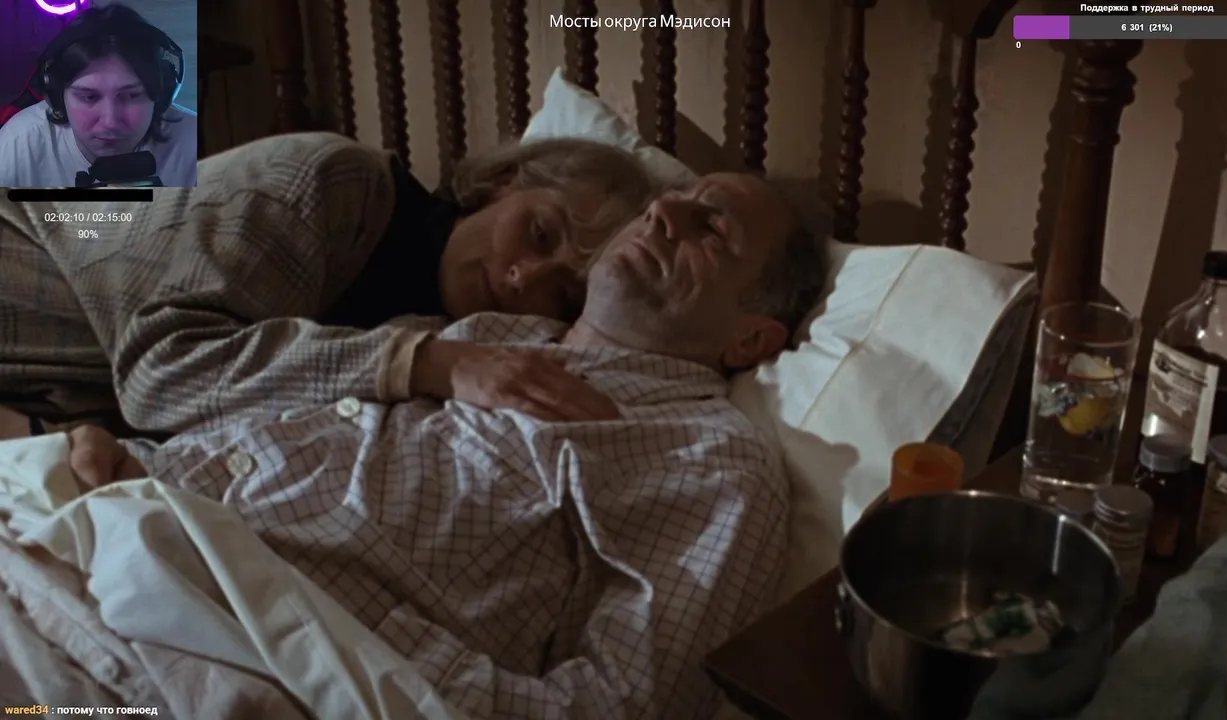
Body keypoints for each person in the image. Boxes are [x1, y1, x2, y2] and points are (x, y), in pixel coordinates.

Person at [7, 171, 828, 718]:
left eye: (710, 229)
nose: (662, 214)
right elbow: (213, 407)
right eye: (673, 197)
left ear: (753, 337)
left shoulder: (711, 461)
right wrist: (113, 452)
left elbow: (622, 703)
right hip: (83, 528)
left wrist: (351, 638)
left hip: (201, 650)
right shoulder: (468, 335)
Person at [0, 131, 655, 437]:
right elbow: (163, 374)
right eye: (538, 233)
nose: (523, 277)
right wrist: (430, 364)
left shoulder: (440, 323)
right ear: (501, 184)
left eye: (562, 293)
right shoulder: (333, 184)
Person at [0, 5, 199, 188]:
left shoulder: (197, 143)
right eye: (89, 97)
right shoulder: (18, 144)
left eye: (131, 95)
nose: (110, 122)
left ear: (161, 94)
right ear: (58, 97)